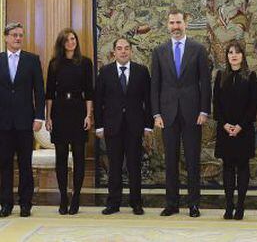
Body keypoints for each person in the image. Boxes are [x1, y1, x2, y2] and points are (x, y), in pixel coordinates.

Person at [151, 8, 211, 217]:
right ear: (167, 25)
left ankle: (193, 204)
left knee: (193, 160)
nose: (175, 27)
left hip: (193, 113)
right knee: (170, 161)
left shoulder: (198, 49)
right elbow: (155, 86)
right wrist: (156, 113)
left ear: (186, 22)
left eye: (178, 22)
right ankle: (172, 203)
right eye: (172, 23)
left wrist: (204, 110)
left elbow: (205, 82)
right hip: (167, 114)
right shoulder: (159, 51)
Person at [95, 38, 153, 215]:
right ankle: (113, 203)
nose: (123, 51)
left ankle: (136, 202)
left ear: (131, 51)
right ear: (114, 52)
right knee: (114, 166)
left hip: (135, 126)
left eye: (126, 48)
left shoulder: (141, 71)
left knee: (135, 165)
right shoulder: (105, 72)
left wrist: (148, 126)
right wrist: (99, 126)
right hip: (113, 126)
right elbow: (98, 101)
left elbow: (148, 100)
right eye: (119, 49)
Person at [45, 28, 93, 215]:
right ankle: (63, 197)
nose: (71, 42)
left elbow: (89, 92)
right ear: (62, 44)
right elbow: (49, 93)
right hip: (59, 110)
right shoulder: (54, 63)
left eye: (73, 39)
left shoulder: (85, 63)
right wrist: (48, 117)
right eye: (67, 40)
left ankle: (76, 197)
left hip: (78, 109)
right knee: (61, 157)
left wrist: (89, 115)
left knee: (79, 157)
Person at [0, 22, 45, 217]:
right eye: (14, 35)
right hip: (3, 122)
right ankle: (6, 204)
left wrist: (39, 116)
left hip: (26, 121)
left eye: (20, 35)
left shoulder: (32, 60)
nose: (18, 38)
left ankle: (25, 204)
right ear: (6, 38)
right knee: (4, 164)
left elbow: (40, 91)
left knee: (25, 164)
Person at [213, 41, 257, 220]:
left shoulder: (250, 76)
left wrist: (240, 126)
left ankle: (240, 206)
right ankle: (229, 205)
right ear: (227, 56)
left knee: (243, 167)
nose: (234, 55)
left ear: (242, 56)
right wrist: (224, 124)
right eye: (230, 52)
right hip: (225, 129)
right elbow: (216, 103)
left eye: (237, 52)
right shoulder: (220, 75)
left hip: (244, 130)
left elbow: (253, 105)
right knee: (228, 167)